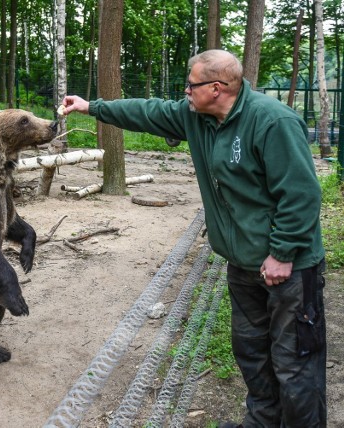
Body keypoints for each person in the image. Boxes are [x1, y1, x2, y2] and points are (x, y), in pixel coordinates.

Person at [62, 49, 326, 428]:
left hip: (290, 270)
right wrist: (91, 107)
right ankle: (263, 421)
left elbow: (301, 195)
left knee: (294, 363)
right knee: (252, 351)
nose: (184, 90)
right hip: (243, 264)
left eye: (191, 83)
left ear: (216, 88)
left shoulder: (272, 122)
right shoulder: (197, 116)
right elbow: (147, 112)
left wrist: (283, 253)